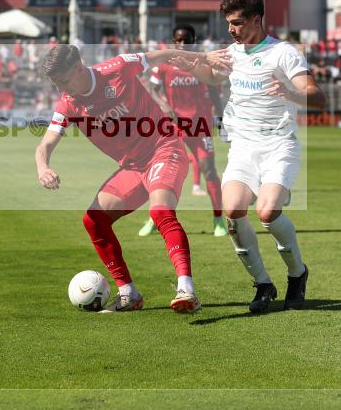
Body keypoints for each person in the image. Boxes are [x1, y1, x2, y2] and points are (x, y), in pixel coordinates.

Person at [35, 44, 227, 313]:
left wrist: (204, 57)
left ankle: (186, 289)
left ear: (78, 68)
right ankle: (129, 293)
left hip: (165, 147)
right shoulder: (68, 103)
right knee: (94, 221)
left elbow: (162, 55)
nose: (61, 89)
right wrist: (43, 167)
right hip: (134, 167)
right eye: (56, 84)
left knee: (160, 211)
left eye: (64, 81)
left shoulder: (117, 68)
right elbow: (45, 143)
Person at [187, 0, 327, 314]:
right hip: (243, 147)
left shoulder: (284, 53)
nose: (231, 30)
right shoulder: (231, 54)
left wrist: (291, 92)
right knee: (233, 211)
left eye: (237, 23)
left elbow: (317, 97)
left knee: (266, 212)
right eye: (228, 23)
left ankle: (297, 273)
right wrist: (195, 65)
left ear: (255, 20)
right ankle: (263, 284)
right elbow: (211, 76)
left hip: (279, 145)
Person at [138, 25, 227, 238]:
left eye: (186, 40)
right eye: (178, 40)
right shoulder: (164, 66)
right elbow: (150, 88)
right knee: (162, 174)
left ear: (194, 40)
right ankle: (154, 218)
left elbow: (215, 94)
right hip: (174, 127)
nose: (181, 44)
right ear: (173, 41)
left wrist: (222, 120)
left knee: (209, 170)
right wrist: (164, 106)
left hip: (200, 126)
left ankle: (218, 221)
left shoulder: (204, 65)